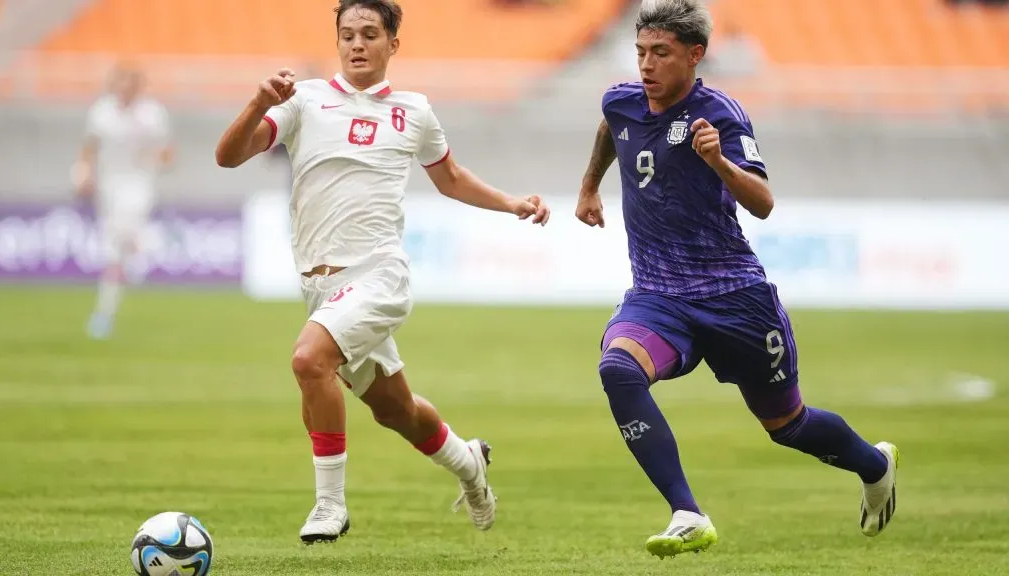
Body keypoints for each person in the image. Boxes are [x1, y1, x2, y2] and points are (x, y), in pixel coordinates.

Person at [215, 0, 550, 544]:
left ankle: (330, 505)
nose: (357, 44)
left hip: (379, 276)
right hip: (322, 288)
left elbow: (452, 179)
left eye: (369, 33)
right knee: (398, 413)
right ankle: (470, 464)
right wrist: (257, 102)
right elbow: (228, 157)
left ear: (393, 44)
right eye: (347, 34)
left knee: (308, 359)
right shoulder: (303, 100)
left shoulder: (413, 111)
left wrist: (512, 203)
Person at [574, 0, 898, 559]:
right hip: (658, 295)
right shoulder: (622, 100)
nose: (647, 65)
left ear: (695, 55)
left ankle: (875, 465)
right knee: (618, 369)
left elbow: (764, 203)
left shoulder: (719, 114)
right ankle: (687, 512)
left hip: (734, 298)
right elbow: (610, 125)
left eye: (662, 54)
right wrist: (588, 188)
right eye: (641, 52)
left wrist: (719, 163)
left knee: (787, 425)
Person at [74, 62, 174, 339]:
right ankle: (110, 303)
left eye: (131, 83)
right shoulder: (101, 112)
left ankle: (135, 249)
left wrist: (159, 158)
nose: (125, 89)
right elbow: (89, 147)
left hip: (139, 183)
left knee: (121, 235)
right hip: (109, 185)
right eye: (121, 83)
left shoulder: (152, 114)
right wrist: (83, 173)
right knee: (114, 250)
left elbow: (167, 151)